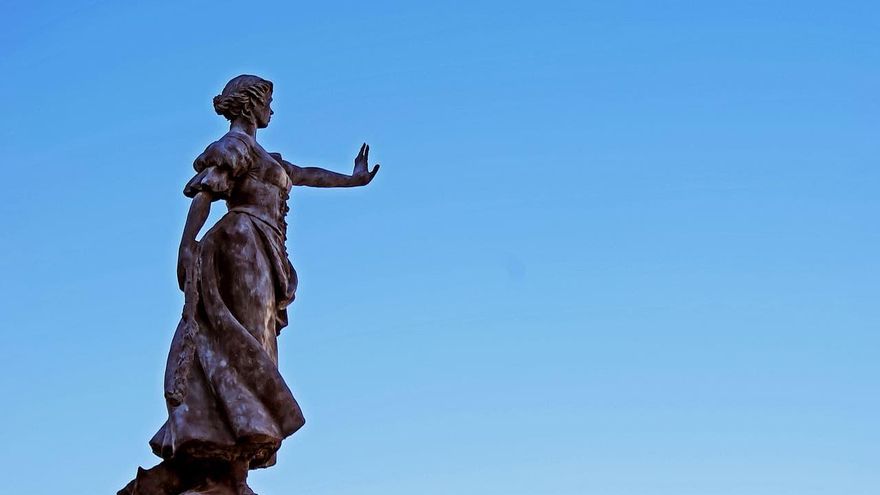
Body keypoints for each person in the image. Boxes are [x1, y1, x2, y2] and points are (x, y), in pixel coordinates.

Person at [119, 74, 379, 495]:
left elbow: (304, 174)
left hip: (263, 250)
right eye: (268, 103)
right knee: (237, 342)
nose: (272, 111)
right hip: (240, 243)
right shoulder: (235, 146)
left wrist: (353, 179)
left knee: (253, 344)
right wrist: (187, 246)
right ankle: (219, 444)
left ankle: (233, 457)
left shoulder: (265, 155)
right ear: (250, 105)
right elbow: (205, 193)